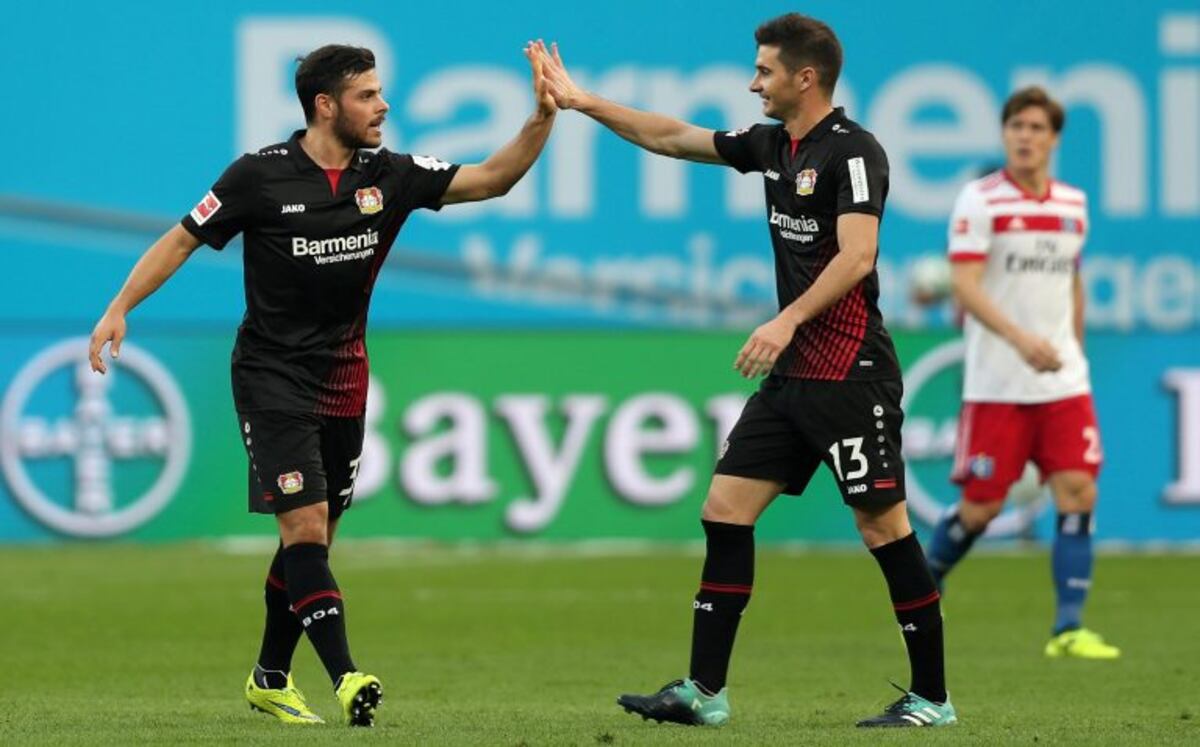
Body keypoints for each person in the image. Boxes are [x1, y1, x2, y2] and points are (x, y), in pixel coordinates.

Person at [88, 43, 557, 726]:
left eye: (380, 92)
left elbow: (492, 178)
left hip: (344, 379)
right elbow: (184, 237)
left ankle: (269, 676)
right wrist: (119, 306)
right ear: (325, 105)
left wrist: (542, 116)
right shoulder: (259, 175)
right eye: (368, 94)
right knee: (304, 523)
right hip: (270, 374)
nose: (384, 105)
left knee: (312, 539)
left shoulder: (390, 174)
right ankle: (346, 677)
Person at [535, 12, 956, 729]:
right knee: (724, 511)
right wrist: (583, 101)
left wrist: (787, 318)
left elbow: (858, 257)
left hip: (853, 376)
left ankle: (932, 698)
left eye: (763, 70)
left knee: (883, 528)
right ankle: (705, 691)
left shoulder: (855, 153)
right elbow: (671, 136)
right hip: (794, 379)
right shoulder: (773, 146)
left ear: (806, 76)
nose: (751, 81)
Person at [927, 86, 1119, 660]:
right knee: (982, 507)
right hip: (998, 383)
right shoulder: (979, 201)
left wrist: (1074, 350)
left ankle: (1068, 628)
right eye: (1016, 127)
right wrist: (1020, 340)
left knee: (1079, 491)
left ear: (1054, 138)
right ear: (1005, 134)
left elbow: (1072, 282)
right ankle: (925, 584)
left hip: (1062, 381)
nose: (1025, 137)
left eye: (1037, 128)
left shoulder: (1072, 205)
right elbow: (964, 284)